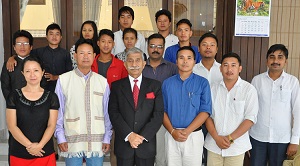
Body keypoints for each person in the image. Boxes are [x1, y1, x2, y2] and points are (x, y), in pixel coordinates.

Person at [55, 39, 112, 166]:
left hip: (97, 141)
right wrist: (60, 136)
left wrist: (107, 137)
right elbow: (59, 111)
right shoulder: (64, 80)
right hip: (72, 140)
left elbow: (107, 112)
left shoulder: (102, 82)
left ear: (94, 56)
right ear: (75, 56)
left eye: (89, 53)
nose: (85, 57)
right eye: (81, 53)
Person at [109, 47, 164, 166]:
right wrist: (129, 135)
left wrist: (141, 137)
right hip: (124, 145)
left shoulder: (155, 86)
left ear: (144, 64)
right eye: (130, 60)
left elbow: (158, 114)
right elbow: (113, 113)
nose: (134, 64)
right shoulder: (116, 86)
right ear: (125, 64)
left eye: (138, 60)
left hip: (146, 144)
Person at [204, 52, 259, 166]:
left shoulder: (248, 89)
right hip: (214, 144)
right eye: (225, 65)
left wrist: (230, 138)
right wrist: (217, 138)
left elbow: (250, 119)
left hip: (236, 147)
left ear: (240, 68)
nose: (229, 69)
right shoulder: (212, 88)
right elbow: (206, 115)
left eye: (233, 65)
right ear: (220, 68)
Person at [250, 44, 300, 166]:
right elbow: (250, 110)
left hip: (281, 138)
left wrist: (295, 140)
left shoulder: (292, 81)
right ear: (267, 61)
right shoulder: (257, 80)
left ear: (285, 61)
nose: (275, 61)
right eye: (272, 57)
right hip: (258, 137)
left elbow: (298, 111)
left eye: (280, 57)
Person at [162, 46, 211, 166]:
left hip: (193, 136)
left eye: (189, 58)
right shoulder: (167, 83)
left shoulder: (202, 83)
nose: (185, 61)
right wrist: (173, 131)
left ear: (194, 61)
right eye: (181, 58)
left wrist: (188, 131)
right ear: (176, 60)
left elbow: (205, 111)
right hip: (171, 135)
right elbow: (162, 111)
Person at [6, 56, 59, 166]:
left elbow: (51, 125)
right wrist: (30, 146)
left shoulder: (51, 97)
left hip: (44, 153)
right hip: (19, 153)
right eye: (28, 71)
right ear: (23, 73)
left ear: (42, 72)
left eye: (36, 70)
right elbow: (12, 126)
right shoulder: (14, 96)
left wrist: (39, 146)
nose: (32, 75)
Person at [5, 23, 73, 92]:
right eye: (51, 34)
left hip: (61, 87)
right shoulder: (38, 52)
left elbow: (70, 73)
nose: (54, 37)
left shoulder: (66, 54)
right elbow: (23, 54)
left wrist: (55, 77)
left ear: (61, 37)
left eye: (57, 34)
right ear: (46, 36)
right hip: (42, 89)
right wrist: (12, 58)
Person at [142, 33, 177, 166]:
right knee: (144, 157)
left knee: (162, 158)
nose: (155, 49)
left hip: (165, 117)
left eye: (159, 46)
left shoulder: (172, 68)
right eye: (152, 46)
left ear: (163, 48)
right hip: (143, 118)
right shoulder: (141, 67)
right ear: (147, 47)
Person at [192, 32, 222, 164]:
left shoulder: (224, 69)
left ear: (217, 49)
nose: (208, 47)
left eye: (212, 45)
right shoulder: (192, 69)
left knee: (213, 156)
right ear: (198, 48)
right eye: (204, 45)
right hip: (195, 119)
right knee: (196, 157)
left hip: (218, 120)